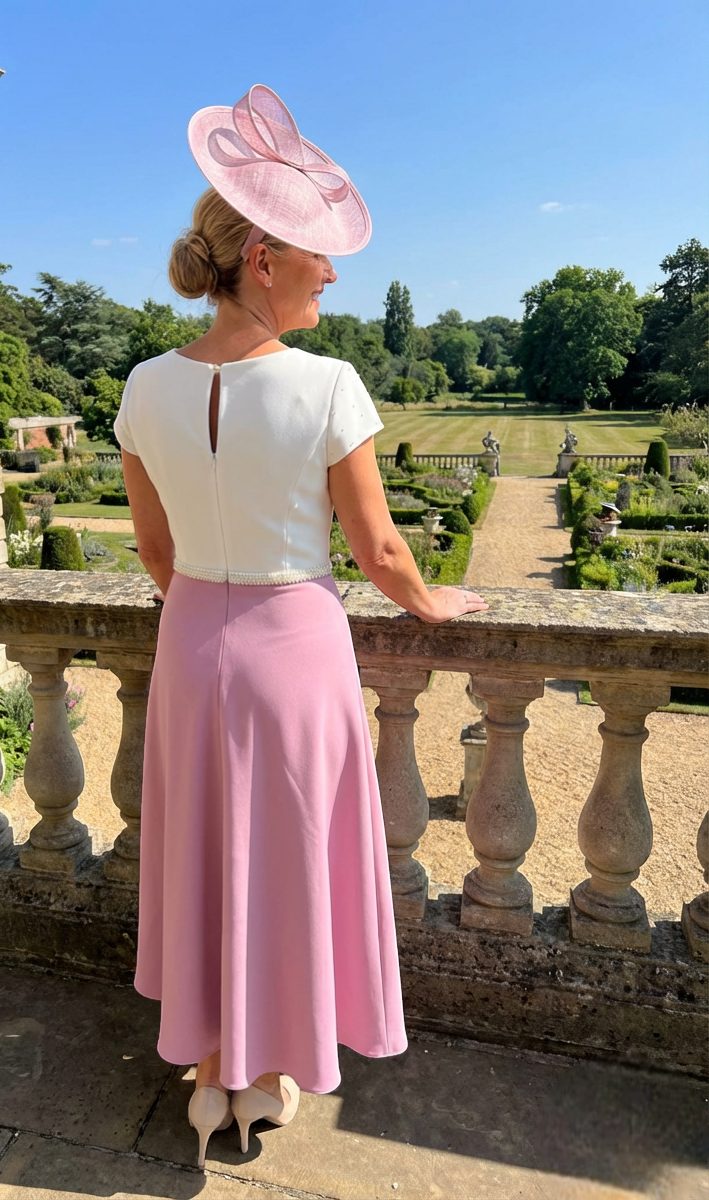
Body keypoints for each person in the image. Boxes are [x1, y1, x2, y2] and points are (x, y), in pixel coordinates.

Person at [115, 84, 488, 1169]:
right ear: (264, 258)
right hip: (295, 647)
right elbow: (379, 552)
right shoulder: (328, 384)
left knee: (205, 851)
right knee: (285, 858)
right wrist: (434, 602)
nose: (332, 271)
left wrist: (205, 617)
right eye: (317, 252)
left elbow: (154, 551)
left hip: (192, 640)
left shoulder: (142, 386)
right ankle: (267, 1069)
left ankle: (208, 1070)